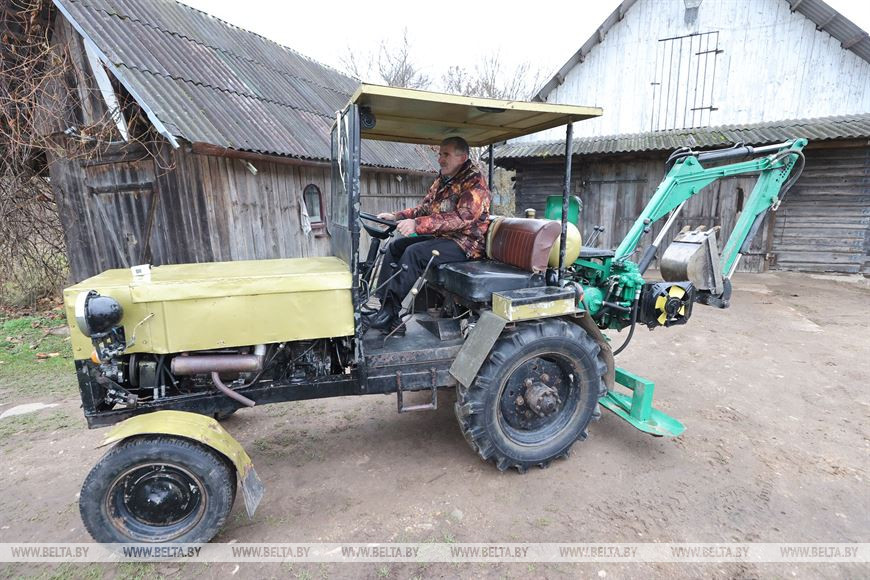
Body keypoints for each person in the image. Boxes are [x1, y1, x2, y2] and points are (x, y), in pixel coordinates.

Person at [368, 136, 491, 334]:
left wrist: (417, 225)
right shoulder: (444, 178)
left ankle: (390, 312)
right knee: (396, 247)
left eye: (446, 154)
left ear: (462, 157)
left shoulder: (475, 183)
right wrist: (397, 216)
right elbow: (427, 208)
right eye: (439, 154)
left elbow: (463, 217)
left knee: (415, 252)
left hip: (466, 244)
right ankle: (385, 309)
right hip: (444, 238)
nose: (440, 159)